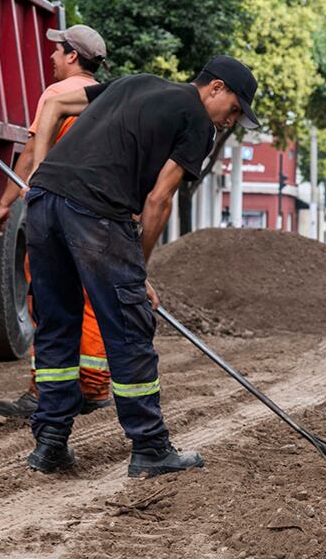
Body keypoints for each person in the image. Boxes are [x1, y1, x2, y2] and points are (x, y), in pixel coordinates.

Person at [24, 55, 259, 477]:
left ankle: (50, 442)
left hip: (43, 205)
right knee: (129, 328)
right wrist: (139, 272)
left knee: (56, 324)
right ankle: (150, 447)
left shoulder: (134, 82)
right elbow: (158, 199)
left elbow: (54, 105)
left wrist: (40, 173)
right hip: (96, 212)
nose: (230, 120)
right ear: (216, 87)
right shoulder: (197, 120)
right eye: (235, 109)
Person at [0, 25, 112, 418]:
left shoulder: (58, 94)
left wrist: (5, 202)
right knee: (92, 297)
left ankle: (43, 392)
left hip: (57, 215)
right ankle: (93, 386)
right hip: (97, 215)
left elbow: (29, 154)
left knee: (47, 297)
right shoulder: (106, 98)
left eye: (58, 51)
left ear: (73, 56)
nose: (52, 57)